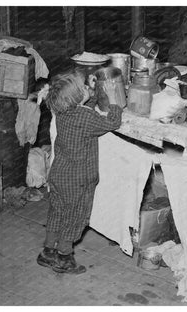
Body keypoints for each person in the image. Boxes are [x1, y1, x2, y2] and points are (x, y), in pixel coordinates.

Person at [36, 68, 122, 274]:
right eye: (83, 87)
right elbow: (113, 122)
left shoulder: (62, 111)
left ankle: (47, 252)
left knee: (57, 212)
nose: (87, 87)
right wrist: (114, 101)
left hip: (59, 175)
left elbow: (84, 110)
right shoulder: (84, 117)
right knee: (74, 217)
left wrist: (89, 92)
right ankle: (64, 257)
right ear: (76, 97)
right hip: (77, 180)